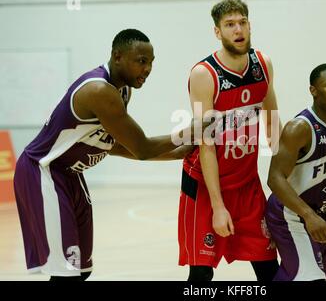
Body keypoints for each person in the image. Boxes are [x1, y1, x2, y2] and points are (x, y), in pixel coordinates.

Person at [13, 29, 195, 281]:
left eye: (152, 62)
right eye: (141, 61)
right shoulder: (99, 90)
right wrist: (191, 132)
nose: (148, 69)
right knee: (67, 273)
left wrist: (177, 153)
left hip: (70, 174)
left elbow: (116, 145)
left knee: (82, 270)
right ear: (117, 56)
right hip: (43, 172)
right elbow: (141, 148)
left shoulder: (122, 91)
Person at [178, 0, 281, 281]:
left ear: (249, 25)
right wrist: (219, 206)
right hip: (205, 187)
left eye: (242, 23)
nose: (238, 30)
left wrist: (284, 182)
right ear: (217, 31)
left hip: (247, 184)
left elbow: (272, 121)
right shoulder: (204, 74)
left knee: (269, 269)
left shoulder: (263, 63)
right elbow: (206, 144)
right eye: (230, 25)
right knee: (200, 276)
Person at [265, 63, 326, 281]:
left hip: (316, 215)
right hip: (289, 214)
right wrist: (308, 215)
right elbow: (274, 178)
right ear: (314, 91)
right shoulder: (299, 127)